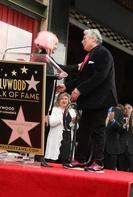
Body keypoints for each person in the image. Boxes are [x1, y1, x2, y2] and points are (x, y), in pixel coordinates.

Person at [57, 28, 118, 171]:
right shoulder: (90, 55)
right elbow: (81, 78)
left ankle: (98, 162)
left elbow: (99, 76)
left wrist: (80, 90)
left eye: (85, 39)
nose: (82, 41)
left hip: (101, 99)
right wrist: (66, 87)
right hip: (90, 101)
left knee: (98, 130)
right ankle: (81, 159)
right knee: (84, 130)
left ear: (93, 39)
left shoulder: (103, 53)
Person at [33, 31, 63, 167]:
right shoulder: (42, 56)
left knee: (43, 126)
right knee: (41, 126)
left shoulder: (47, 57)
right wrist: (56, 77)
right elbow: (43, 75)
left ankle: (40, 156)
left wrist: (78, 67)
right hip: (42, 99)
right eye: (55, 44)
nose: (56, 47)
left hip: (47, 97)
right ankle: (39, 156)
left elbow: (58, 70)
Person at [44, 92, 76, 164]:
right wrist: (62, 115)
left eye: (66, 99)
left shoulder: (72, 111)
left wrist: (74, 122)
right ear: (58, 101)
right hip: (56, 136)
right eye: (62, 99)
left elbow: (75, 127)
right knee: (54, 159)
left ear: (68, 100)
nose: (64, 100)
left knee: (65, 159)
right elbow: (51, 123)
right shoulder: (55, 109)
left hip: (67, 138)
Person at [104, 105, 124, 170]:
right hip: (97, 148)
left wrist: (113, 120)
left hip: (111, 149)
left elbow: (121, 130)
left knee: (110, 174)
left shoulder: (119, 112)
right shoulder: (98, 109)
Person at [118, 103, 133, 172]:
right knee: (121, 171)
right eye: (125, 108)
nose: (127, 109)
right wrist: (125, 124)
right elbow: (118, 130)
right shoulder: (120, 120)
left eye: (129, 108)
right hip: (121, 149)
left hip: (131, 150)